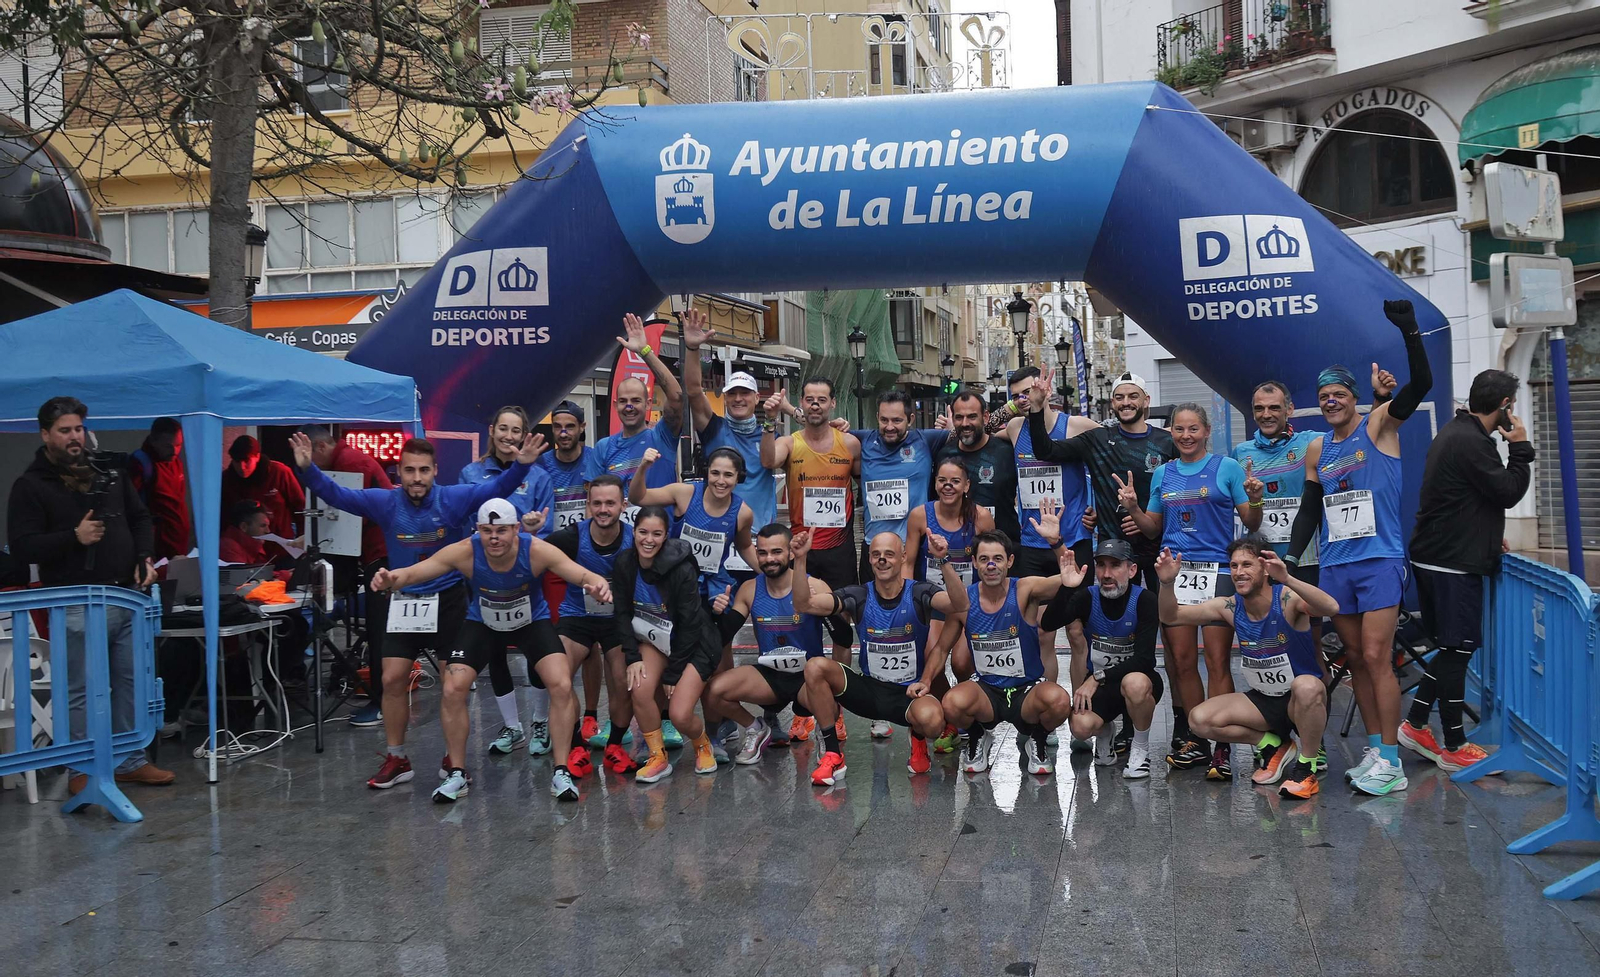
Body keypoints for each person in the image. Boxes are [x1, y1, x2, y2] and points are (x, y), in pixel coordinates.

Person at [288, 430, 541, 789]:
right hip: (405, 602)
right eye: (409, 470)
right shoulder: (386, 503)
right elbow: (338, 495)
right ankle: (397, 759)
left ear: (435, 470)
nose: (417, 478)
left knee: (453, 685)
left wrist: (522, 466)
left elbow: (495, 489)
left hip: (449, 602)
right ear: (399, 472)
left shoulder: (452, 499)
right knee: (391, 679)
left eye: (424, 470)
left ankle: (454, 763)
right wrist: (308, 469)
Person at [1285, 299, 1433, 796]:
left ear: (1354, 398)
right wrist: (1291, 559)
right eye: (1324, 396)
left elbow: (1422, 384)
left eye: (1339, 395)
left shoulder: (1379, 425)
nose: (1331, 402)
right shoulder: (1317, 448)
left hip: (1380, 560)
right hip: (1336, 565)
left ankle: (1391, 761)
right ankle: (1375, 748)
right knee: (1353, 656)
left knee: (1376, 654)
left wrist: (1408, 330)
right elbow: (1310, 509)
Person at [369, 499, 610, 803]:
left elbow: (580, 573)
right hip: (483, 623)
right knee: (453, 687)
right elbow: (416, 572)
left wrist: (597, 583)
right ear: (478, 530)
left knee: (561, 683)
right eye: (487, 531)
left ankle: (560, 771)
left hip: (530, 622)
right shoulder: (465, 551)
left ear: (516, 529)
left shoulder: (536, 550)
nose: (494, 538)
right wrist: (392, 579)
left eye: (501, 531)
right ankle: (457, 773)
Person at [8, 396, 174, 790]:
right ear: (45, 434)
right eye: (64, 430)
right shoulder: (31, 485)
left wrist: (144, 556)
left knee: (132, 681)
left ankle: (129, 759)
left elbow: (140, 518)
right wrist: (73, 537)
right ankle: (81, 768)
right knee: (78, 688)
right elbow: (23, 547)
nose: (74, 437)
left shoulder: (110, 473)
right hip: (73, 601)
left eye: (79, 429)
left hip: (125, 595)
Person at [1399, 369, 1533, 772]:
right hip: (1450, 562)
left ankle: (1416, 724)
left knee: (1452, 647)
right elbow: (1507, 492)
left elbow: (1463, 497)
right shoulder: (1472, 442)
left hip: (1440, 554)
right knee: (1458, 649)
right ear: (1505, 406)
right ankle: (1454, 746)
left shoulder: (1458, 433)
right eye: (1513, 404)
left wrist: (1487, 535)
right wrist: (1520, 448)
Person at [1120, 402, 1264, 778]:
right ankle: (1197, 739)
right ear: (1171, 432)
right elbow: (1152, 528)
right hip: (1176, 574)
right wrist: (1134, 508)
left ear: (1206, 432)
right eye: (1179, 429)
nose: (1186, 436)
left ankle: (1222, 745)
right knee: (1183, 662)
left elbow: (1251, 522)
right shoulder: (1163, 473)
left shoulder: (1227, 467)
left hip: (1217, 572)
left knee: (1216, 661)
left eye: (1193, 429)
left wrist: (1255, 497)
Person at [1160, 538, 1341, 800]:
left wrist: (1287, 578)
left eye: (1247, 564)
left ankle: (1306, 767)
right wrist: (1167, 584)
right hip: (1264, 701)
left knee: (1307, 686)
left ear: (1265, 569)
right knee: (1198, 719)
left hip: (1300, 701)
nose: (1238, 572)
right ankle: (1273, 745)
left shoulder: (1287, 599)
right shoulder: (1229, 606)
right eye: (1234, 565)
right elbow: (1171, 616)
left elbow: (1331, 607)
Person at [793, 528, 966, 784]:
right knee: (815, 667)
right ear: (870, 559)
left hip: (909, 693)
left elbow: (960, 604)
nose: (882, 559)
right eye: (876, 554)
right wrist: (799, 559)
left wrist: (943, 560)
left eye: (889, 554)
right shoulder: (858, 595)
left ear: (903, 557)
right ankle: (832, 753)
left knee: (933, 721)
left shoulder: (919, 592)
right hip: (869, 691)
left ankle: (917, 737)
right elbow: (804, 604)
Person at [631, 444, 758, 760]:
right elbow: (638, 497)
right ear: (706, 473)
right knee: (667, 659)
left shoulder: (742, 512)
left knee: (715, 668)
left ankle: (716, 733)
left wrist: (775, 572)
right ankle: (658, 734)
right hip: (673, 593)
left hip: (713, 596)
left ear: (738, 478)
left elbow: (744, 547)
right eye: (715, 473)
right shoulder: (684, 494)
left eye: (728, 475)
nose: (720, 480)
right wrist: (643, 467)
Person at [1231, 380, 1330, 782]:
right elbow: (1245, 514)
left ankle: (1314, 743)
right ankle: (1281, 734)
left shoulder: (1311, 442)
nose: (1266, 414)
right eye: (1259, 408)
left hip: (1302, 563)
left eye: (1274, 407)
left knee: (1311, 651)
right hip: (1260, 566)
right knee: (1270, 647)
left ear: (1289, 409)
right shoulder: (1241, 453)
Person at [933, 515, 1077, 778]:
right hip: (987, 691)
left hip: (1027, 691)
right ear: (975, 562)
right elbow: (942, 649)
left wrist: (1056, 543)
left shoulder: (1025, 589)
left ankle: (1038, 737)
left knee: (1059, 701)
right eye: (984, 559)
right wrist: (924, 681)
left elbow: (1071, 576)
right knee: (951, 703)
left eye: (998, 559)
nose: (991, 565)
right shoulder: (963, 600)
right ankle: (978, 735)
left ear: (1009, 561)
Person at [761, 375, 862, 735]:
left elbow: (866, 480)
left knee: (841, 632)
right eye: (809, 399)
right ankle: (805, 707)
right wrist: (770, 421)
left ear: (833, 403)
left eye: (822, 399)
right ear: (802, 404)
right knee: (802, 629)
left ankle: (836, 709)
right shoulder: (790, 442)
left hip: (839, 551)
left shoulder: (849, 443)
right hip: (802, 552)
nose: (815, 404)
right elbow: (768, 460)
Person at [459, 406, 560, 757]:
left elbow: (547, 528)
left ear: (524, 435)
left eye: (516, 430)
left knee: (534, 651)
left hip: (525, 579)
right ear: (492, 430)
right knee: (494, 650)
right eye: (503, 428)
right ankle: (511, 726)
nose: (508, 436)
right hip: (484, 579)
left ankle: (540, 722)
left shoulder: (540, 476)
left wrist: (533, 529)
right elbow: (463, 520)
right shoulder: (471, 473)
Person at [702, 524, 833, 767]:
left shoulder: (815, 586)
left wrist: (840, 679)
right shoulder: (750, 589)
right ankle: (756, 728)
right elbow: (724, 634)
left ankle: (826, 736)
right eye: (762, 553)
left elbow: (843, 636)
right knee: (713, 691)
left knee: (832, 694)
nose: (769, 559)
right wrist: (717, 615)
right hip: (770, 678)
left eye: (776, 552)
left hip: (808, 679)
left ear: (790, 553)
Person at [615, 506, 725, 783]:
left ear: (666, 536)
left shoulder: (681, 569)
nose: (648, 540)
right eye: (643, 532)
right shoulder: (625, 563)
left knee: (679, 714)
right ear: (633, 532)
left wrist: (673, 673)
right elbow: (622, 613)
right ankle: (658, 757)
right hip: (655, 640)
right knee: (639, 687)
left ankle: (702, 743)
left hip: (694, 643)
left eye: (656, 534)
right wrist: (632, 657)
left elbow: (690, 626)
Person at [541, 476, 637, 774]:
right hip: (577, 617)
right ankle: (575, 745)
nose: (603, 509)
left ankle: (615, 746)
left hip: (617, 620)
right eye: (597, 503)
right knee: (559, 678)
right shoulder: (570, 537)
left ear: (623, 505)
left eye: (610, 503)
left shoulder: (636, 539)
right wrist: (531, 531)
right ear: (587, 505)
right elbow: (531, 553)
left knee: (623, 680)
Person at [302, 424, 393, 727]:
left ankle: (383, 702)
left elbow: (353, 516)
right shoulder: (350, 461)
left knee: (380, 632)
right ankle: (381, 699)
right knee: (379, 631)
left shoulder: (351, 464)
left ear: (320, 447)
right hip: (374, 553)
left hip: (381, 555)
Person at [1053, 539, 1164, 779]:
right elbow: (1048, 623)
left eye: (1115, 565)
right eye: (1101, 565)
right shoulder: (1088, 597)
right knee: (1079, 728)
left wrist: (1096, 678)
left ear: (1131, 570)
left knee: (1135, 683)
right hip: (1103, 686)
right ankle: (1105, 731)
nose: (1106, 574)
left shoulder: (1145, 600)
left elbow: (1145, 660)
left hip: (1136, 682)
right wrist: (1066, 588)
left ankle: (1140, 748)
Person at [903, 457, 993, 745]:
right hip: (934, 604)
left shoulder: (981, 517)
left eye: (955, 481)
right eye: (942, 480)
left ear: (966, 486)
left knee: (963, 662)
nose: (948, 486)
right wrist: (907, 602)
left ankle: (970, 712)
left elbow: (992, 562)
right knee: (932, 658)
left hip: (968, 605)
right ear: (935, 484)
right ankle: (950, 719)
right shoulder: (920, 515)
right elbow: (908, 563)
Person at [538, 400, 610, 747]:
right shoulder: (542, 464)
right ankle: (562, 716)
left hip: (590, 556)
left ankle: (592, 715)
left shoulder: (594, 459)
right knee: (561, 640)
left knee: (593, 642)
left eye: (570, 426)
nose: (563, 432)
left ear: (582, 428)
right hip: (556, 558)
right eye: (558, 426)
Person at [592, 313, 685, 523]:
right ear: (615, 405)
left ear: (648, 404)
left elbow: (677, 398)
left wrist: (645, 351)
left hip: (660, 537)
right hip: (620, 539)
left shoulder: (661, 437)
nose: (629, 407)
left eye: (636, 400)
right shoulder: (603, 448)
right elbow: (594, 501)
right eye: (623, 401)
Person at [850, 390, 950, 575]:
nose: (889, 427)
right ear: (877, 417)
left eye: (897, 420)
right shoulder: (862, 440)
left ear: (910, 419)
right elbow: (821, 428)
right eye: (884, 420)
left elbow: (974, 433)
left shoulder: (926, 440)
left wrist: (953, 428)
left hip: (914, 547)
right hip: (874, 547)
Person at [939, 390, 1020, 543]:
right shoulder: (944, 455)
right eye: (959, 417)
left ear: (986, 417)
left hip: (1005, 546)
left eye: (972, 416)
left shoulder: (1007, 451)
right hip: (958, 547)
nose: (965, 424)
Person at [128, 416, 191, 560]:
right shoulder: (140, 464)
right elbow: (131, 504)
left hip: (179, 540)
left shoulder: (176, 461)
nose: (174, 451)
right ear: (154, 441)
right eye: (168, 446)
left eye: (179, 445)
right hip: (158, 545)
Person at [221, 435, 305, 540]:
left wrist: (303, 538)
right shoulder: (226, 479)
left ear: (257, 457)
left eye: (247, 461)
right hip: (242, 544)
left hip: (279, 544)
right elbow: (222, 516)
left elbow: (300, 507)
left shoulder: (279, 473)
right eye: (237, 461)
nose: (242, 467)